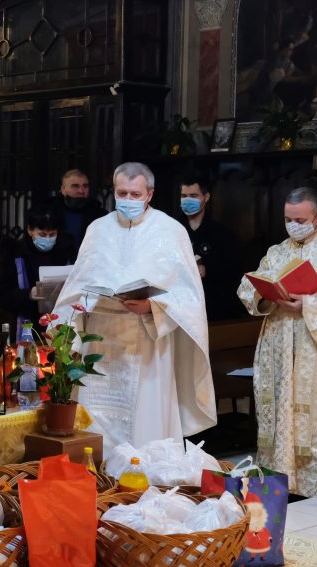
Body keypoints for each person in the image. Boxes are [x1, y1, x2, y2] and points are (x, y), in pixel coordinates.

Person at [54, 162, 216, 446]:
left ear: (149, 194)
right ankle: (95, 468)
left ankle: (143, 468)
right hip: (100, 337)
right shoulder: (98, 229)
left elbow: (189, 296)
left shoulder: (170, 231)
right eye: (122, 193)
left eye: (135, 194)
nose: (128, 200)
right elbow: (77, 284)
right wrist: (72, 318)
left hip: (146, 339)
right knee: (96, 419)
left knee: (143, 425)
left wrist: (153, 305)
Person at [237, 187, 317, 497]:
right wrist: (265, 294)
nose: (292, 225)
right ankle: (279, 483)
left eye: (300, 220)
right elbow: (249, 288)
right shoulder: (277, 252)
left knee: (314, 422)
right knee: (279, 414)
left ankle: (315, 489)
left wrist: (308, 304)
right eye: (287, 219)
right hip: (279, 349)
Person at [0, 209, 76, 326]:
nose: (48, 239)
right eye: (42, 235)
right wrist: (29, 294)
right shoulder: (14, 253)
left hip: (60, 320)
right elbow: (0, 295)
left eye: (52, 234)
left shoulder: (65, 251)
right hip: (27, 322)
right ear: (30, 230)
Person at [178, 179, 243, 321]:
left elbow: (233, 272)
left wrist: (207, 270)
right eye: (184, 196)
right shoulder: (173, 230)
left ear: (206, 197)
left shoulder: (222, 234)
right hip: (181, 307)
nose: (187, 200)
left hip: (213, 309)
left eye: (193, 196)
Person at [47, 169, 104, 249]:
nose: (81, 191)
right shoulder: (48, 213)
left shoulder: (100, 215)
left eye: (85, 186)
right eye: (75, 186)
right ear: (63, 189)